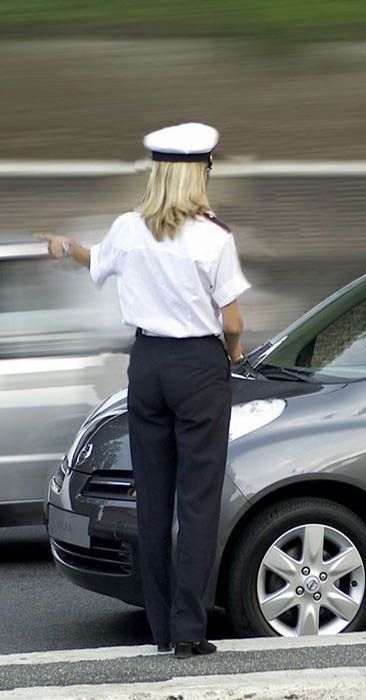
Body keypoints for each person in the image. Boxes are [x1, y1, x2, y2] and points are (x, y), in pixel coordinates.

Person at [37, 122, 250, 659]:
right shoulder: (214, 237)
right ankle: (187, 629)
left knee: (152, 498)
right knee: (198, 502)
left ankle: (159, 628)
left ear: (158, 173)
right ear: (196, 174)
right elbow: (232, 321)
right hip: (199, 365)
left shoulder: (129, 228)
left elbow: (98, 262)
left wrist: (68, 249)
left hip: (148, 363)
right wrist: (233, 352)